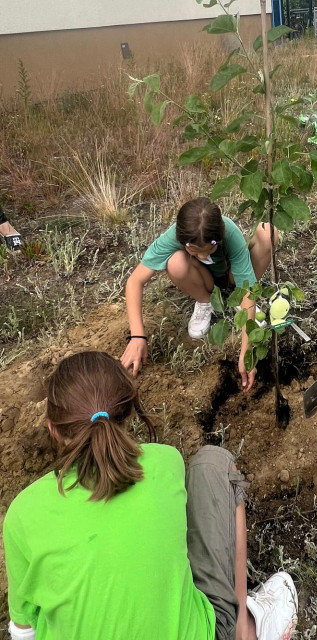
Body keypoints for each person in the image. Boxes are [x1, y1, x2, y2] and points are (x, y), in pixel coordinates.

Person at [3, 351, 298, 640]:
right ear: (130, 409)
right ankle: (243, 632)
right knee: (213, 463)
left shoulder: (23, 513)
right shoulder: (164, 462)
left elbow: (23, 631)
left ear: (52, 429)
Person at [121, 198, 277, 390]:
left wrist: (247, 352)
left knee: (268, 232)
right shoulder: (173, 237)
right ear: (182, 240)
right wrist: (138, 337)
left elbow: (250, 293)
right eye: (195, 251)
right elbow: (135, 281)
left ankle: (237, 299)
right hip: (205, 280)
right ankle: (205, 301)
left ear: (219, 238)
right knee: (175, 262)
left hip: (232, 277)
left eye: (209, 250)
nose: (203, 256)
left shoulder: (230, 235)